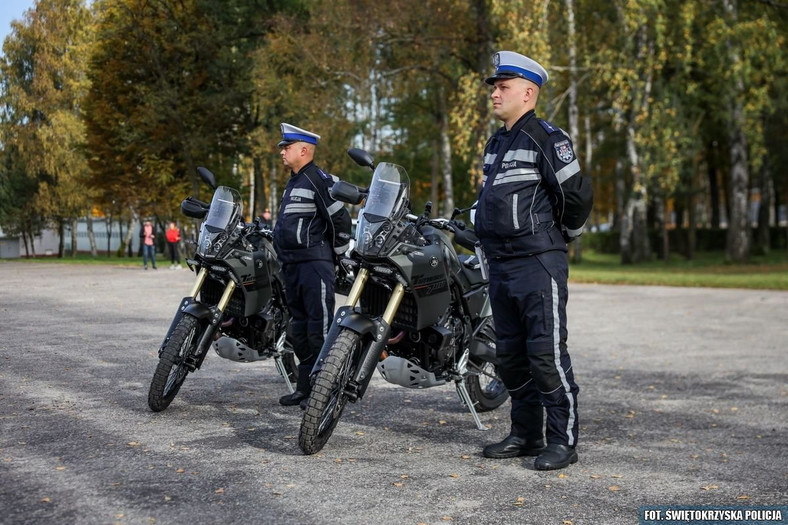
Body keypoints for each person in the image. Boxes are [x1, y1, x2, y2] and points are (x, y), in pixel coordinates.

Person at [474, 51, 593, 470]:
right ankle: (526, 434)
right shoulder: (496, 143)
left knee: (545, 355)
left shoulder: (547, 138)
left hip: (537, 264)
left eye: (502, 87)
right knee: (510, 357)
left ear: (528, 93)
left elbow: (576, 195)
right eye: (494, 86)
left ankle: (563, 441)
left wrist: (564, 236)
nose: (494, 93)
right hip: (501, 265)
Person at [272, 123, 352, 408]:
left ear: (304, 150)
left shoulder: (319, 179)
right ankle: (305, 388)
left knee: (319, 326)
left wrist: (338, 255)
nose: (282, 152)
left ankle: (323, 391)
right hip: (292, 265)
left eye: (287, 147)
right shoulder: (294, 180)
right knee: (300, 328)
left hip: (314, 265)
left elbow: (340, 220)